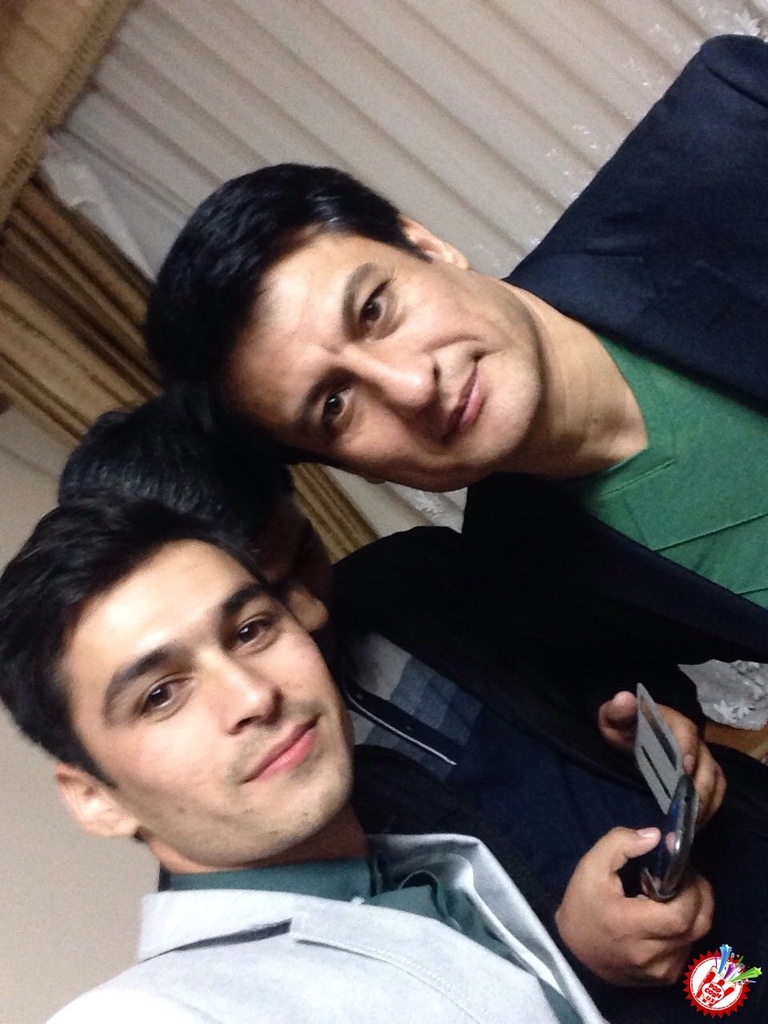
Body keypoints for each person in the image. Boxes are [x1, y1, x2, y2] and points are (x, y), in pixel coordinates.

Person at [53, 396, 768, 1021]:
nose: (311, 608)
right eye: (261, 603)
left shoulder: (415, 572)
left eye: (304, 552)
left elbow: (606, 656)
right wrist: (571, 949)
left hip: (741, 843)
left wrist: (643, 717)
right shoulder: (256, 837)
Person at [142, 33, 768, 669]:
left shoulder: (734, 136)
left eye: (374, 311)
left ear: (426, 246)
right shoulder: (526, 579)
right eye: (334, 405)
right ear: (350, 467)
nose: (412, 387)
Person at [0, 497, 661, 1024]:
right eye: (160, 695)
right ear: (95, 798)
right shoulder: (163, 1008)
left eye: (251, 630)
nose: (253, 695)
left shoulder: (426, 872)